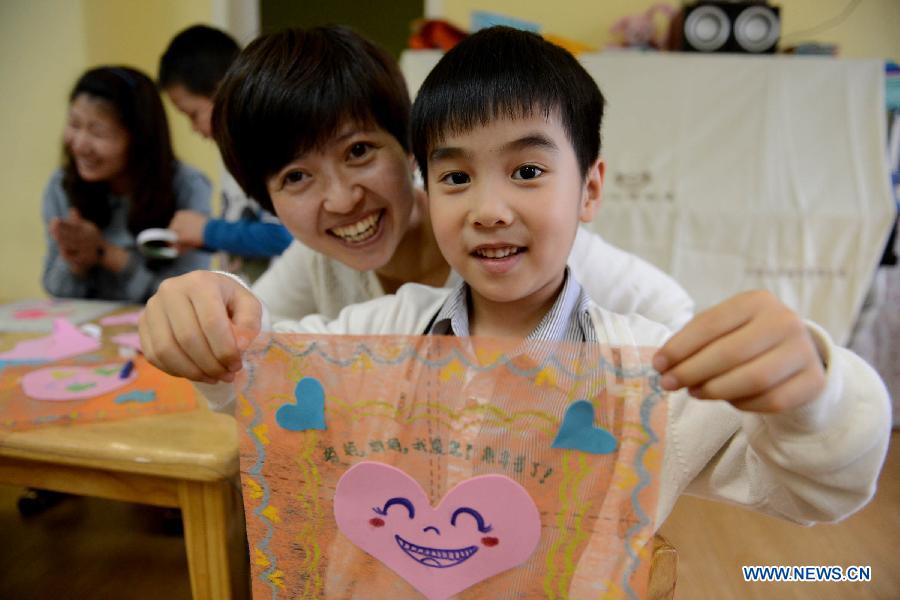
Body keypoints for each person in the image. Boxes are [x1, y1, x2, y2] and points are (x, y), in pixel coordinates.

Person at [263, 26, 891, 531]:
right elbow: (263, 374)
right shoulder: (385, 333)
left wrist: (817, 400)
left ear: (590, 188)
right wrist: (213, 311)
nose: (489, 209)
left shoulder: (642, 372)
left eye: (528, 170)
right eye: (456, 178)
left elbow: (815, 492)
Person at [139, 26, 694, 383]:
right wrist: (207, 302)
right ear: (270, 202)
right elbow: (253, 348)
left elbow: (678, 329)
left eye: (359, 151)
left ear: (409, 149)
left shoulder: (534, 256)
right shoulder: (319, 268)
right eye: (296, 176)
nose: (341, 199)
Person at [42, 66, 211, 302]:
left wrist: (106, 253)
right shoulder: (62, 185)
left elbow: (188, 299)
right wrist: (76, 260)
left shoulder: (188, 186)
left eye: (97, 132)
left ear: (139, 139)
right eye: (74, 124)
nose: (79, 145)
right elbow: (54, 288)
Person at [158, 24, 292, 282]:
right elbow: (245, 231)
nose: (195, 129)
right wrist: (200, 239)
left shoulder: (271, 150)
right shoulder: (233, 152)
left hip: (285, 309)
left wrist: (208, 231)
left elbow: (289, 237)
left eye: (194, 114)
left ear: (223, 88)